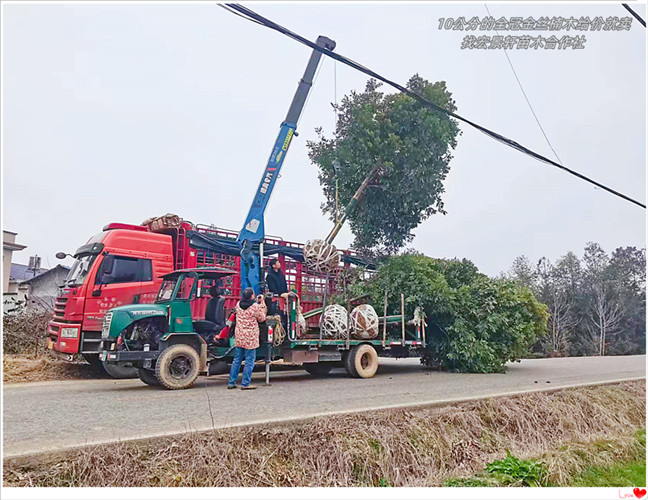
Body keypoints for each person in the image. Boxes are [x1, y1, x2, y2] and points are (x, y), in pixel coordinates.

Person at [228, 287, 266, 390]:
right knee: (249, 360)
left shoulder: (238, 305)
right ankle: (245, 383)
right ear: (251, 296)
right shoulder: (254, 307)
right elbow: (262, 318)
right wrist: (262, 302)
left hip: (240, 336)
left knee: (237, 360)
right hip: (250, 337)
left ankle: (231, 382)